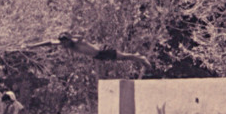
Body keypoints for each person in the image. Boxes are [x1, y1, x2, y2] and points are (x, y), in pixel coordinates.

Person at [24, 34, 152, 70]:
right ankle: (138, 58)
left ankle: (140, 58)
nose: (64, 46)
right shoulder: (65, 43)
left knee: (123, 57)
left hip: (102, 50)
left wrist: (71, 36)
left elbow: (81, 36)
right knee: (121, 59)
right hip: (98, 56)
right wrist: (32, 46)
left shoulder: (76, 42)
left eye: (65, 43)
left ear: (69, 40)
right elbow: (48, 42)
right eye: (63, 44)